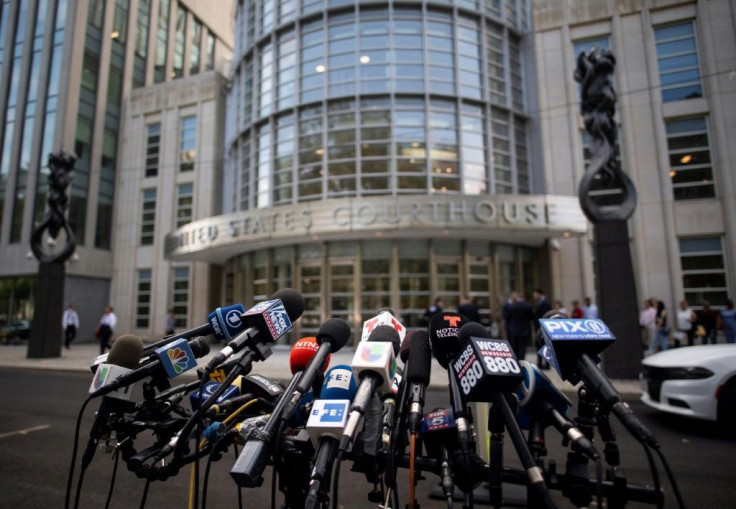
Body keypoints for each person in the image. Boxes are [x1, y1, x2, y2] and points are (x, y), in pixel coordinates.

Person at [502, 292, 533, 360]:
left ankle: (516, 359)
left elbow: (507, 317)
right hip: (524, 329)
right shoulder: (527, 306)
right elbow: (531, 316)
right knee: (522, 346)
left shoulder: (512, 306)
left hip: (514, 329)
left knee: (515, 346)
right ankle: (522, 359)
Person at [532, 289, 552, 368]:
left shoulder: (545, 303)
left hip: (542, 328)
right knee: (539, 345)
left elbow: (544, 316)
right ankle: (540, 363)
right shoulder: (540, 302)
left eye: (535, 294)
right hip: (539, 327)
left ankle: (546, 364)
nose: (534, 296)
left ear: (539, 294)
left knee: (544, 345)